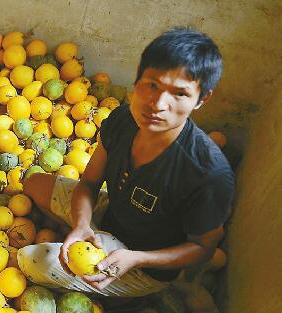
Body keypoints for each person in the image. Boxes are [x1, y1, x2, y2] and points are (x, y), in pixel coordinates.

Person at [18, 27, 235, 297]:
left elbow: (203, 250)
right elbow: (88, 183)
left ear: (202, 98)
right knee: (33, 183)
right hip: (111, 212)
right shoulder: (123, 120)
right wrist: (82, 225)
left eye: (179, 94)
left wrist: (136, 259)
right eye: (152, 85)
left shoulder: (208, 173)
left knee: (31, 260)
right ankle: (87, 240)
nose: (158, 104)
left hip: (145, 262)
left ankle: (130, 293)